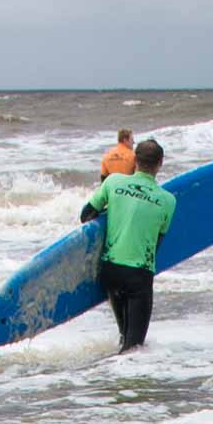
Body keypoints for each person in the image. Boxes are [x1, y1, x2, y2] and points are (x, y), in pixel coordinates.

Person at [78, 138, 176, 350]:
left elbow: (86, 215)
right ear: (160, 163)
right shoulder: (168, 200)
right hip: (138, 276)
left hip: (110, 272)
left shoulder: (113, 182)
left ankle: (109, 377)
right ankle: (125, 379)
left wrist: (115, 210)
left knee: (124, 337)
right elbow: (156, 243)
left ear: (135, 160)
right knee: (134, 348)